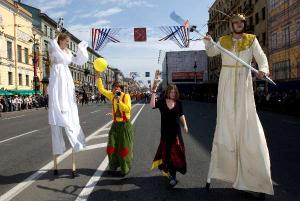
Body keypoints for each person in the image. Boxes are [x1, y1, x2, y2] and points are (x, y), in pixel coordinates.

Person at [203, 13, 274, 197]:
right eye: (235, 22)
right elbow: (211, 53)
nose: (238, 24)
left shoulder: (251, 40)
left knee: (248, 127)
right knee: (225, 126)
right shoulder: (224, 40)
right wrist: (209, 42)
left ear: (243, 24)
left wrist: (263, 70)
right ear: (231, 24)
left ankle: (256, 179)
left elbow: (262, 58)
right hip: (226, 84)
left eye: (241, 22)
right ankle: (221, 172)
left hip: (244, 84)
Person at [48, 32, 88, 177]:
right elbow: (52, 45)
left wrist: (81, 49)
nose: (68, 43)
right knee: (57, 107)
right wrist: (57, 34)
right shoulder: (54, 49)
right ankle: (56, 165)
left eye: (69, 42)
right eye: (66, 41)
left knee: (69, 106)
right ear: (61, 40)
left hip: (66, 79)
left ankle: (73, 164)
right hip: (57, 78)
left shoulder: (68, 52)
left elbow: (78, 61)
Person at [150, 71, 189, 187]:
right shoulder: (162, 102)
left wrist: (185, 125)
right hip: (166, 133)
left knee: (177, 154)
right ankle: (172, 176)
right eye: (170, 91)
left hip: (176, 134)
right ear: (167, 92)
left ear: (176, 93)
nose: (172, 93)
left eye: (174, 92)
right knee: (167, 155)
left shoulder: (178, 103)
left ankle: (173, 174)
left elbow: (181, 115)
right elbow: (152, 105)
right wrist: (153, 92)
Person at [96, 74, 133, 176]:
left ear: (120, 89)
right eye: (114, 88)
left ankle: (125, 169)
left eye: (117, 88)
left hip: (125, 125)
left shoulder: (126, 96)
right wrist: (98, 77)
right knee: (111, 146)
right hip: (115, 124)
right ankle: (112, 167)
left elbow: (127, 109)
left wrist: (118, 100)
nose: (115, 90)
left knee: (123, 148)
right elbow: (102, 90)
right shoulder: (111, 95)